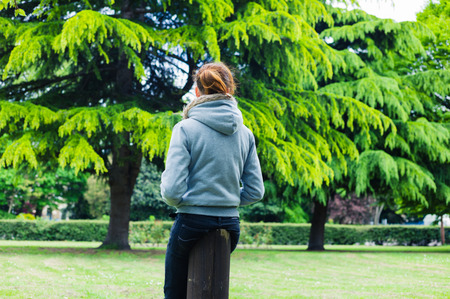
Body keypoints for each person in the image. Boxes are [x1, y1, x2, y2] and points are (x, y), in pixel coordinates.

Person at [160, 62, 265, 299]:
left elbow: (172, 192)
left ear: (197, 92)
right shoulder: (246, 134)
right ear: (230, 89)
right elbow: (255, 191)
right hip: (230, 225)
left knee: (174, 292)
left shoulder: (185, 129)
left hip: (191, 224)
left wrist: (194, 200)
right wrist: (225, 200)